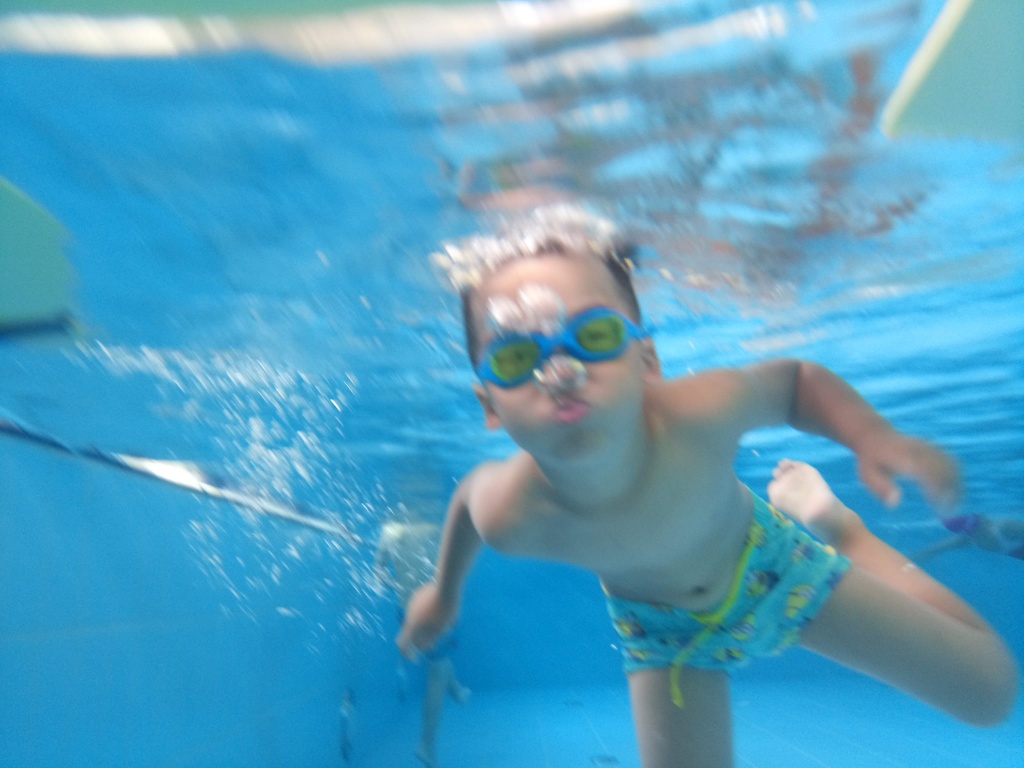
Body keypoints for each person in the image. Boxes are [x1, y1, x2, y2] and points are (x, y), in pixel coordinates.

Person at [397, 205, 1019, 768]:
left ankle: (844, 533)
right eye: (515, 358)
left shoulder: (696, 415)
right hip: (661, 634)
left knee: (990, 695)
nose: (561, 372)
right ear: (489, 405)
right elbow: (467, 507)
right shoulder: (512, 510)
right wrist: (442, 595)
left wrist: (874, 437)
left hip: (771, 568)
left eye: (595, 337)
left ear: (647, 362)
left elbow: (792, 383)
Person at [374, 514, 471, 768]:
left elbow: (379, 576)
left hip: (406, 612)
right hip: (436, 610)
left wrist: (401, 582)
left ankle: (457, 690)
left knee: (439, 658)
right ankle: (427, 744)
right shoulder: (439, 522)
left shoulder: (390, 529)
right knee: (438, 668)